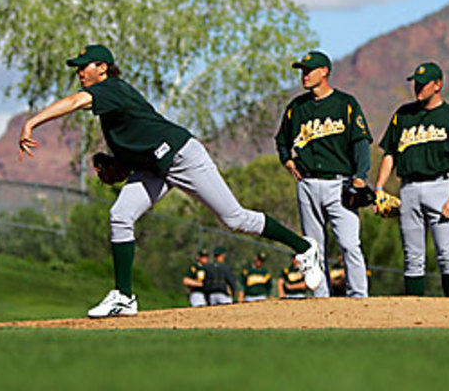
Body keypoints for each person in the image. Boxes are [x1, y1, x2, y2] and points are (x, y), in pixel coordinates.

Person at [18, 44, 324, 317]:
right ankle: (124, 297)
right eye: (77, 67)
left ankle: (304, 247)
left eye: (83, 66)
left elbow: (73, 102)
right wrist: (119, 166)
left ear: (102, 68)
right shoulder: (110, 113)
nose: (79, 72)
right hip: (156, 167)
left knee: (235, 219)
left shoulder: (110, 87)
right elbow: (138, 146)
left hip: (182, 156)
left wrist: (32, 122)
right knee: (120, 215)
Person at [275, 50, 372, 298]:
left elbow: (360, 141)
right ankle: (321, 299)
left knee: (350, 244)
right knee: (313, 248)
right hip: (306, 184)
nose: (304, 75)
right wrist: (287, 160)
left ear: (324, 71)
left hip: (339, 184)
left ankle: (359, 297)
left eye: (309, 70)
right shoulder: (296, 107)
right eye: (302, 71)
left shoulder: (345, 104)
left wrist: (361, 175)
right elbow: (282, 140)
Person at [374, 61, 449, 297]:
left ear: (438, 85)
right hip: (408, 188)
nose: (418, 88)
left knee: (447, 254)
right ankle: (414, 313)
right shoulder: (403, 115)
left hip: (440, 187)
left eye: (423, 83)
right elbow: (390, 153)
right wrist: (379, 187)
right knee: (412, 257)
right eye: (415, 83)